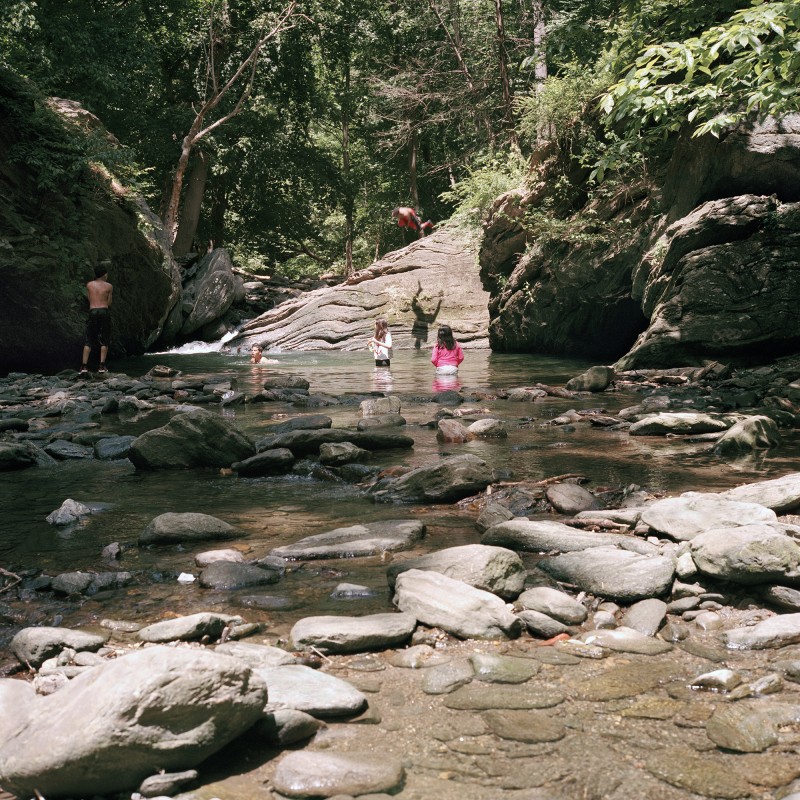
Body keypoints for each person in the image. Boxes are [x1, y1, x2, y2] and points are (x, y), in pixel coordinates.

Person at [80, 264, 113, 375]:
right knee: (104, 339)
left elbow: (89, 299)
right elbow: (109, 303)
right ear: (104, 274)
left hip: (93, 311)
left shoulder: (89, 285)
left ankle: (84, 367)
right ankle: (101, 367)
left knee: (89, 339)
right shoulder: (109, 286)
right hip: (104, 311)